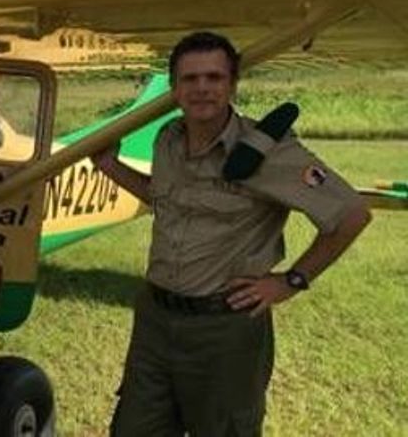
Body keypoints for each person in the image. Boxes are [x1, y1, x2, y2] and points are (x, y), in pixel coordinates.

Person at [92, 31, 372, 436]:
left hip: (223, 329)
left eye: (213, 77)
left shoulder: (267, 151)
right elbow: (167, 199)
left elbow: (351, 214)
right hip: (155, 319)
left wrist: (291, 281)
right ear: (174, 87)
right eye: (189, 79)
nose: (201, 88)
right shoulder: (167, 139)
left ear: (232, 84)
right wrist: (112, 168)